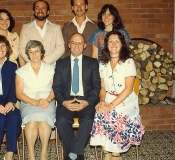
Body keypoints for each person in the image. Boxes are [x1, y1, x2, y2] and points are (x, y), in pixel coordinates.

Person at [90, 30, 145, 160]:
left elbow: (128, 89)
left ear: (122, 44)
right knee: (100, 112)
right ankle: (107, 154)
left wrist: (110, 106)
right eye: (110, 41)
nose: (113, 44)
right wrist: (103, 101)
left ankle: (115, 154)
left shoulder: (128, 62)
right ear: (106, 45)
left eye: (117, 41)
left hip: (126, 100)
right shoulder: (102, 64)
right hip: (109, 97)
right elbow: (102, 87)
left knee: (112, 115)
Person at [53, 33, 101, 160]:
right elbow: (56, 87)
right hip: (67, 100)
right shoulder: (61, 64)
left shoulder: (92, 63)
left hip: (86, 101)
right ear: (68, 45)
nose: (76, 45)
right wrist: (63, 102)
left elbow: (96, 87)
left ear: (85, 46)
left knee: (88, 120)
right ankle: (77, 154)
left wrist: (87, 102)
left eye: (79, 42)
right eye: (73, 42)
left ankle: (72, 154)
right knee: (61, 120)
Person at [16, 40, 56, 160]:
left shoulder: (51, 69)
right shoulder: (21, 71)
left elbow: (55, 89)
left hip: (47, 101)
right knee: (32, 121)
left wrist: (48, 99)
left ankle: (44, 153)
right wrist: (35, 102)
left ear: (42, 53)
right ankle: (31, 154)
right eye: (31, 52)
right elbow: (19, 93)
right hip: (28, 102)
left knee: (44, 121)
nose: (34, 55)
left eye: (37, 51)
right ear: (28, 54)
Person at [19, 0, 65, 67]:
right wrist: (34, 61)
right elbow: (22, 49)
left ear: (48, 12)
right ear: (34, 11)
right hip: (32, 68)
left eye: (43, 8)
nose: (40, 10)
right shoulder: (25, 28)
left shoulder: (56, 28)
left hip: (51, 68)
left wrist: (45, 60)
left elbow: (61, 47)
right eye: (37, 8)